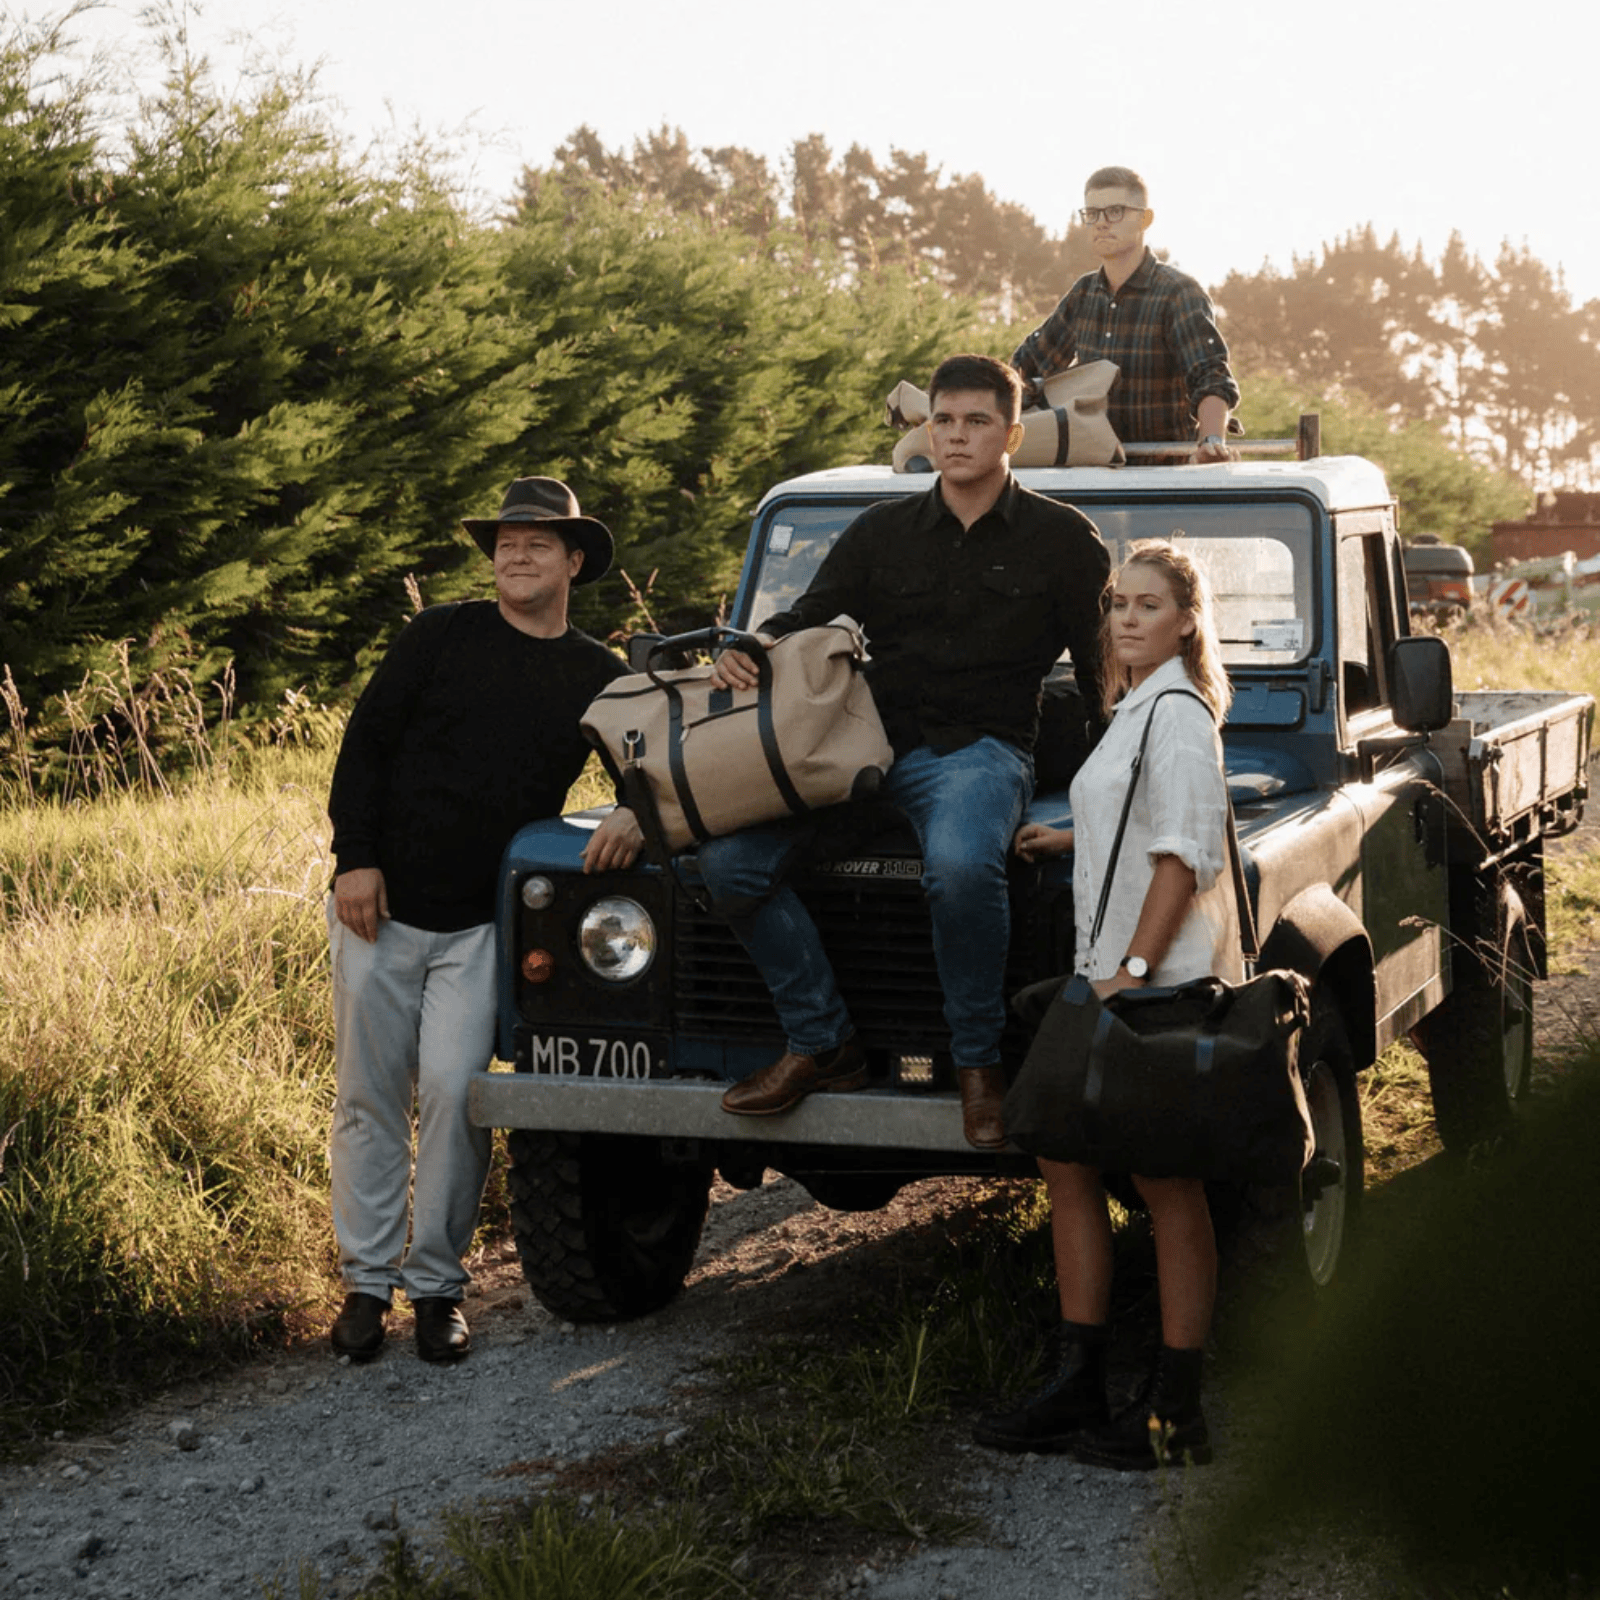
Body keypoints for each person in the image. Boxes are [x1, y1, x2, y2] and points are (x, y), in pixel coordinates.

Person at [697, 354, 1108, 1150]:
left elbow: (1101, 682)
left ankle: (977, 1068)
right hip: (864, 750)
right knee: (729, 863)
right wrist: (752, 644)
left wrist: (1109, 798)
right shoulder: (882, 532)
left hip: (981, 753)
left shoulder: (1062, 539)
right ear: (928, 430)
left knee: (959, 869)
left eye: (977, 421)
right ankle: (823, 1042)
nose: (956, 437)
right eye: (944, 420)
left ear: (1011, 433)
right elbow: (812, 615)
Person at [325, 476, 642, 1363]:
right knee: (368, 1100)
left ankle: (435, 1288)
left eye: (538, 542)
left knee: (460, 1098)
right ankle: (364, 1285)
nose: (516, 553)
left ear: (574, 561)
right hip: (376, 910)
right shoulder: (441, 634)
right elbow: (366, 744)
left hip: (484, 931)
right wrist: (355, 858)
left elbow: (646, 775)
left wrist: (635, 813)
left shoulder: (597, 674)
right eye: (506, 540)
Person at [974, 538, 1239, 1468]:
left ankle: (1176, 1411)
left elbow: (1184, 854)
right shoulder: (1134, 705)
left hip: (1152, 982)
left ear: (1186, 620)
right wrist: (1067, 837)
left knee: (1168, 1189)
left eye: (1148, 605)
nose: (1126, 619)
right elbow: (1127, 819)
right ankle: (1077, 1379)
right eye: (1118, 604)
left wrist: (1131, 964)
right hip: (1107, 969)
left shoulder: (1175, 712)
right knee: (1063, 1159)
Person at [1011, 166, 1240, 462]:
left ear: (1145, 219)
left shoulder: (1178, 293)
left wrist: (1210, 442)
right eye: (1092, 213)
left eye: (1115, 211)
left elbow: (1211, 377)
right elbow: (1024, 370)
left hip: (1163, 479)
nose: (1102, 223)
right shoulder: (1083, 294)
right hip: (1092, 477)